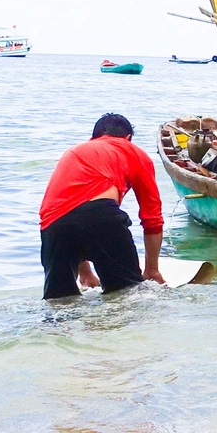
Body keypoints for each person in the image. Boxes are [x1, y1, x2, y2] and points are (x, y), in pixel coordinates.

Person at [37, 112, 167, 300]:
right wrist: (151, 270)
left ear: (94, 137)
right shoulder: (133, 151)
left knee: (59, 303)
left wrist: (86, 275)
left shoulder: (74, 152)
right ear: (128, 138)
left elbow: (71, 213)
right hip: (101, 215)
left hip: (52, 226)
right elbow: (152, 217)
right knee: (127, 297)